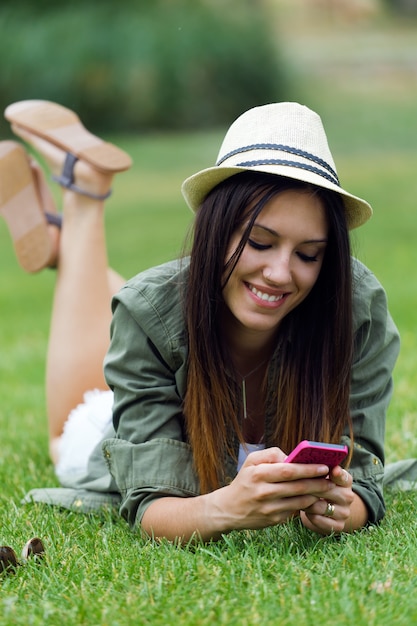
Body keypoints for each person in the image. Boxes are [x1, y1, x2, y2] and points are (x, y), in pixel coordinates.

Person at [0, 100, 400, 543]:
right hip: (125, 406)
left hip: (177, 302)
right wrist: (226, 507)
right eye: (259, 243)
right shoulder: (148, 314)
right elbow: (149, 504)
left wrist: (347, 510)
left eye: (308, 254)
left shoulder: (355, 307)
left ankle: (65, 246)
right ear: (216, 228)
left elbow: (364, 475)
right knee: (67, 436)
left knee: (164, 301)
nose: (281, 272)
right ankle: (84, 197)